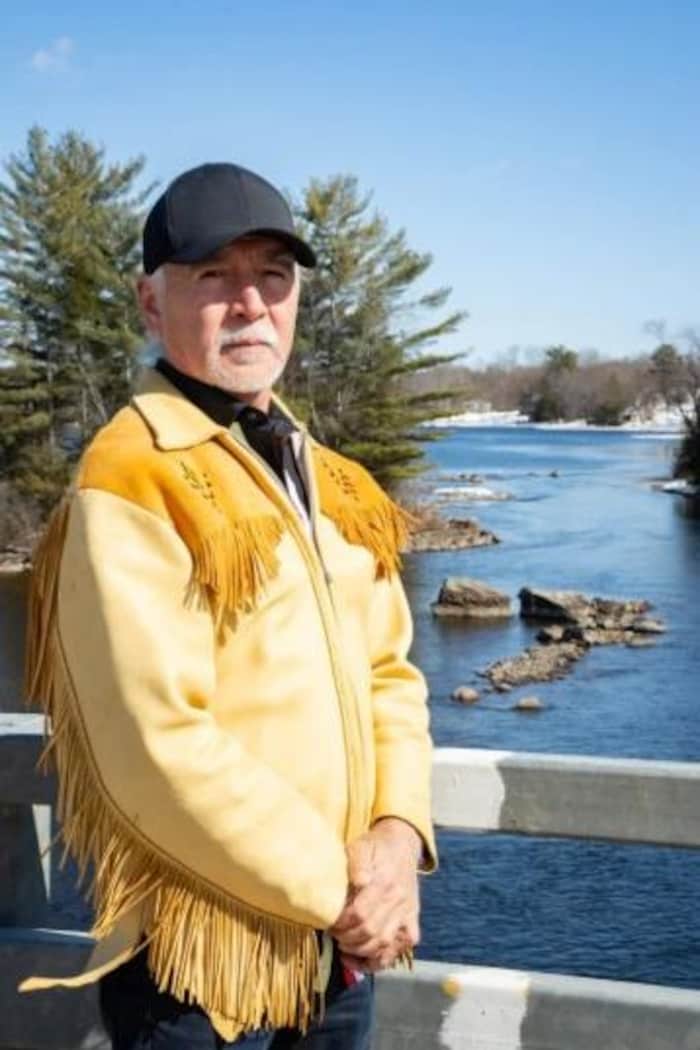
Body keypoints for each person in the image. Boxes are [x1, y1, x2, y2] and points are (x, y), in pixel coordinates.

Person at [20, 162, 437, 1049]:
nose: (250, 303)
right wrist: (345, 891)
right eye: (213, 276)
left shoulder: (330, 478)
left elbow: (389, 675)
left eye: (273, 277)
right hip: (200, 973)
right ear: (148, 302)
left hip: (334, 957)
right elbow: (155, 743)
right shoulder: (130, 475)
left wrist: (398, 841)